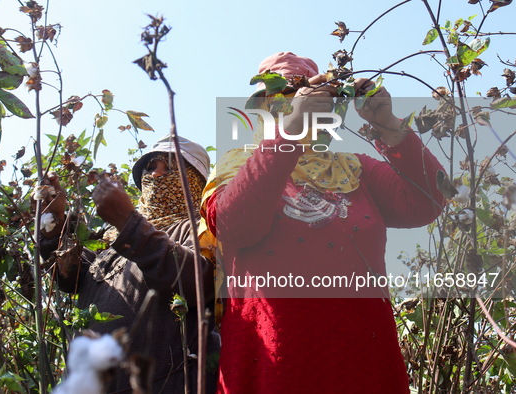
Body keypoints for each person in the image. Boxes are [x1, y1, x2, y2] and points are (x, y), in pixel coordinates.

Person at [201, 52, 446, 393]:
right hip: (273, 364)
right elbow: (236, 226)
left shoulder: (354, 169)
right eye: (283, 96)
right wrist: (288, 135)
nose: (292, 106)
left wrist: (388, 124)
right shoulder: (239, 164)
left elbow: (427, 202)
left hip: (364, 362)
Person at [39, 134, 220, 394]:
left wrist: (130, 224)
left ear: (194, 182)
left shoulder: (198, 230)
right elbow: (76, 278)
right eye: (150, 167)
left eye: (170, 168)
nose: (156, 175)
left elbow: (200, 284)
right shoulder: (116, 241)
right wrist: (54, 229)